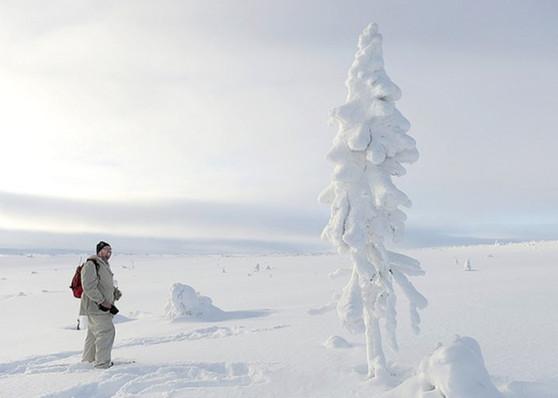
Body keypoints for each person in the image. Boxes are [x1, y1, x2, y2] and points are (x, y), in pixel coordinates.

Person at [80, 241, 122, 369]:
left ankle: (88, 361)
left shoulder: (103, 265)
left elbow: (102, 284)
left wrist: (114, 292)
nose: (109, 253)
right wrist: (101, 301)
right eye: (106, 250)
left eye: (110, 250)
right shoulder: (91, 264)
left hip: (103, 306)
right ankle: (102, 364)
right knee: (106, 332)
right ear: (99, 251)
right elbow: (88, 286)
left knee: (93, 334)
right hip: (97, 307)